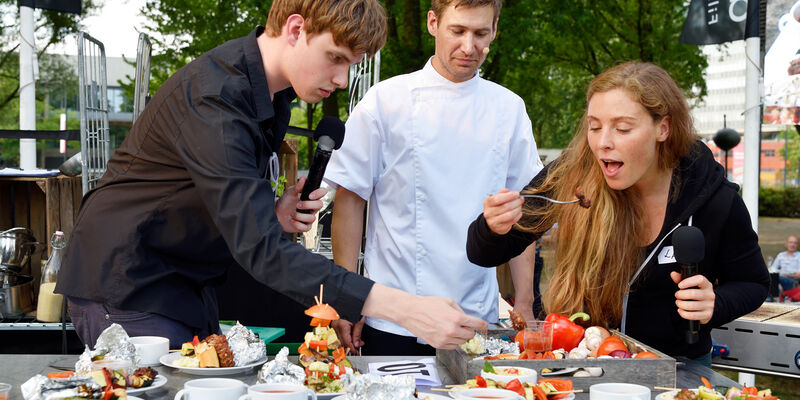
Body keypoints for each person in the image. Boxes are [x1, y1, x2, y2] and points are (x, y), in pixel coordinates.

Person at [55, 0, 486, 349]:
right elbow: (261, 250)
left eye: (351, 64)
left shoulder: (271, 94)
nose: (341, 79)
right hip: (127, 284)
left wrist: (270, 211)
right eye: (335, 58)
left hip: (183, 285)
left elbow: (213, 198)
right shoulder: (218, 99)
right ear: (296, 29)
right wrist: (404, 308)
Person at [466, 62, 770, 364]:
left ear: (663, 128)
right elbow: (484, 253)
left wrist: (715, 304)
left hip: (678, 369)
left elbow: (753, 283)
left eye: (622, 128)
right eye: (594, 126)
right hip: (577, 362)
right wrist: (492, 227)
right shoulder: (573, 175)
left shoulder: (714, 197)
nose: (604, 142)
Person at [324, 0, 542, 355]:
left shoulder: (509, 109)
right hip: (394, 318)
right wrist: (348, 297)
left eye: (480, 33)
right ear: (433, 23)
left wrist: (525, 301)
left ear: (495, 31)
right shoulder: (386, 100)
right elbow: (350, 199)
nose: (469, 47)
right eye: (457, 31)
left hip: (476, 317)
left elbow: (525, 212)